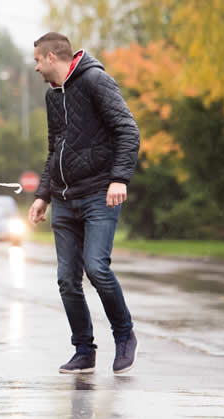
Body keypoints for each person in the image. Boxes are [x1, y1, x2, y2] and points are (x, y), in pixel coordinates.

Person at [28, 32, 140, 374]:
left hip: (98, 193)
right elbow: (54, 149)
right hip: (64, 197)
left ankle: (124, 336)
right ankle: (83, 349)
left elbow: (127, 129)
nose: (34, 67)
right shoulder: (52, 96)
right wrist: (43, 195)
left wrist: (119, 178)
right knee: (66, 280)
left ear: (51, 57)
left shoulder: (95, 80)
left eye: (36, 60)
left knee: (97, 268)